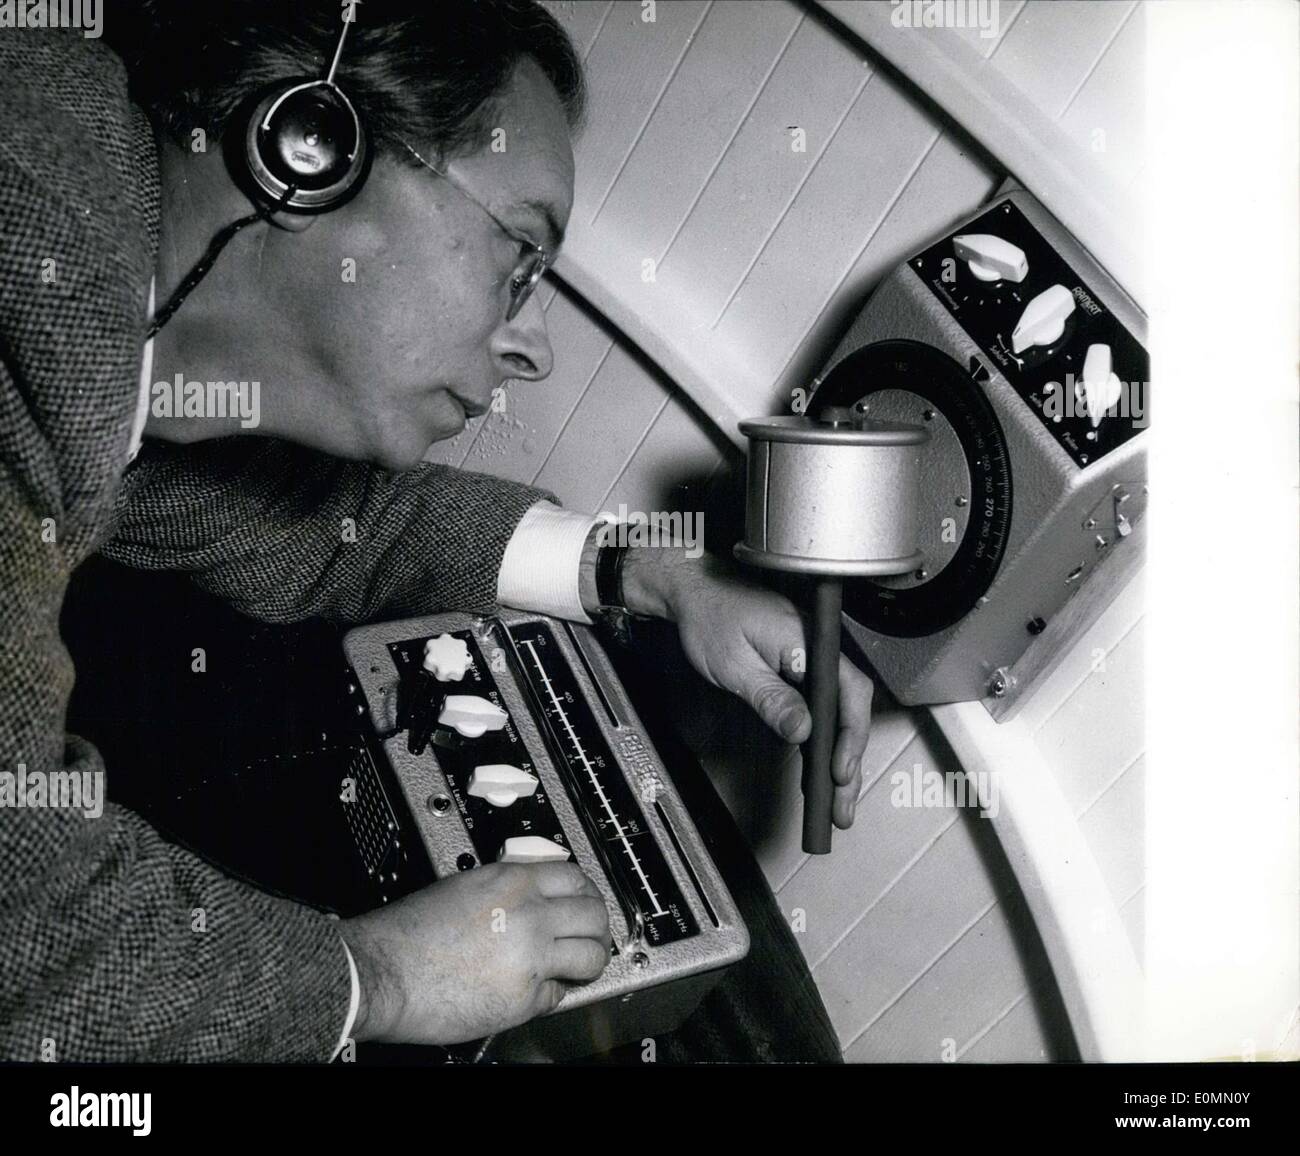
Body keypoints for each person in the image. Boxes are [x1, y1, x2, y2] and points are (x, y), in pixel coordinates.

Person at [0, 0, 872, 1061]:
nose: (535, 349)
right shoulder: (30, 287)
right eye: (519, 258)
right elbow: (27, 930)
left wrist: (650, 573)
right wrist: (382, 978)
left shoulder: (98, 287)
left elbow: (334, 532)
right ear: (310, 143)